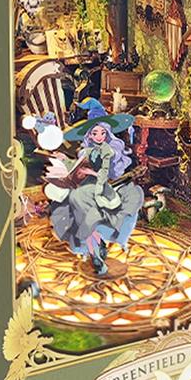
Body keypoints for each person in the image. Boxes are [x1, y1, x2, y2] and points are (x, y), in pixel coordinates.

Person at [49, 118, 144, 276]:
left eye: (102, 133)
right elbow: (77, 166)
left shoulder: (108, 151)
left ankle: (97, 250)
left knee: (79, 200)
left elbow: (105, 174)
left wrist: (90, 172)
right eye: (95, 133)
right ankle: (96, 251)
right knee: (74, 200)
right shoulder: (87, 150)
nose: (99, 137)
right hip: (87, 187)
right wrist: (64, 159)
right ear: (89, 135)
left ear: (107, 134)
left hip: (101, 188)